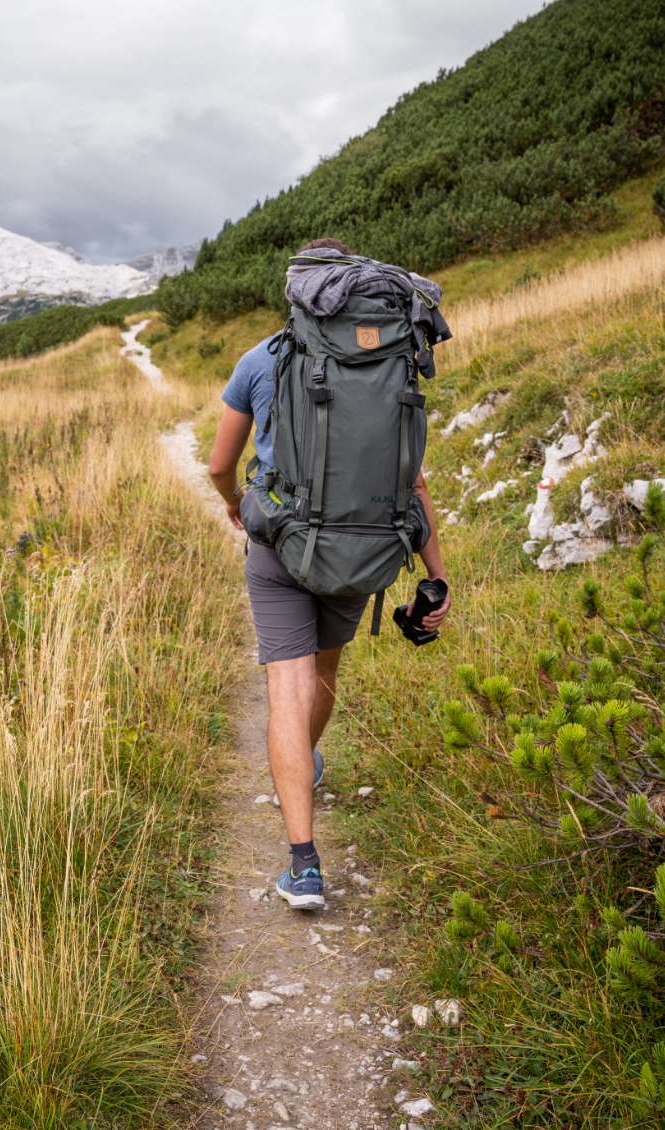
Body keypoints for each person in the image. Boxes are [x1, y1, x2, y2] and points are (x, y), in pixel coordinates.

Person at [207, 236, 452, 913]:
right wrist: (437, 576)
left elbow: (218, 465)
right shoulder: (391, 358)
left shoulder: (262, 359)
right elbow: (414, 478)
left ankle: (304, 865)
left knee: (285, 688)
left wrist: (235, 506)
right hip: (365, 553)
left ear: (297, 293)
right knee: (323, 674)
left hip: (282, 549)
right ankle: (303, 765)